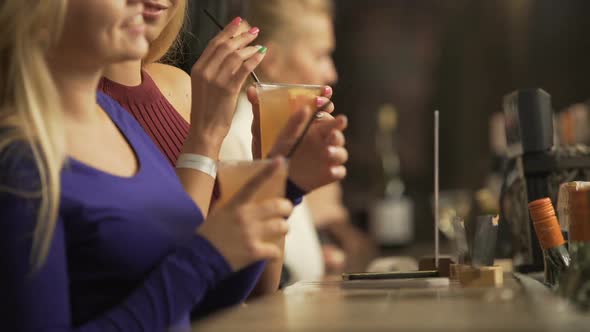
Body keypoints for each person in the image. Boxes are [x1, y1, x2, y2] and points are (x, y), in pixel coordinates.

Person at [0, 0, 296, 330]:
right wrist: (206, 257)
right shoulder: (20, 163)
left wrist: (285, 179)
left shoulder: (113, 119)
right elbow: (188, 278)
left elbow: (195, 305)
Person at [99, 0, 349, 301]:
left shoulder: (183, 88)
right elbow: (179, 290)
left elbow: (258, 293)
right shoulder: (77, 113)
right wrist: (205, 136)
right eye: (320, 55)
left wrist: (275, 171)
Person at [220, 0, 375, 282]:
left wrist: (324, 241)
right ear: (272, 61)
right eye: (319, 56)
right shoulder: (234, 141)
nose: (332, 73)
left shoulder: (289, 140)